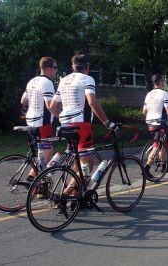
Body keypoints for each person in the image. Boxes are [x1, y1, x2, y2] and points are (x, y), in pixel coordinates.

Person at [49, 54, 118, 195]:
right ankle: (65, 195)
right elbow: (92, 102)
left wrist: (62, 117)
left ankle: (77, 194)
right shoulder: (87, 79)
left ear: (72, 67)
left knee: (78, 160)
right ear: (87, 67)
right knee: (87, 165)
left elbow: (52, 106)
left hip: (65, 125)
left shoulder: (64, 80)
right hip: (81, 125)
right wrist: (107, 123)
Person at [20, 57, 58, 181]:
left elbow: (23, 101)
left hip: (30, 120)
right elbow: (49, 106)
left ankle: (34, 179)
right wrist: (61, 117)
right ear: (49, 68)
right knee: (47, 153)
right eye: (55, 68)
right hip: (42, 122)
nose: (56, 71)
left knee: (41, 152)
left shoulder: (32, 81)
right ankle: (34, 180)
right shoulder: (47, 83)